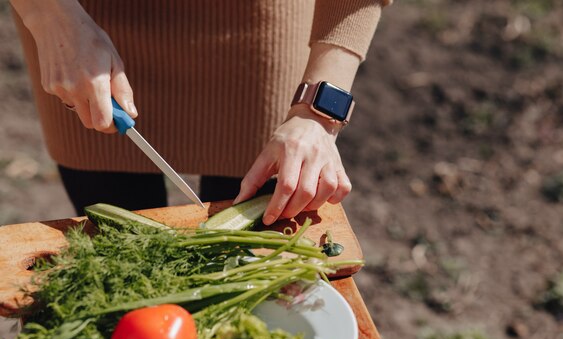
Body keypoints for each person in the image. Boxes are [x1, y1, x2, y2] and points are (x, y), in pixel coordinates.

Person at [10, 0, 390, 225]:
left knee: (260, 236)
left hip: (259, 31)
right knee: (116, 232)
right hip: (80, 32)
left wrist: (318, 111)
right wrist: (49, 16)